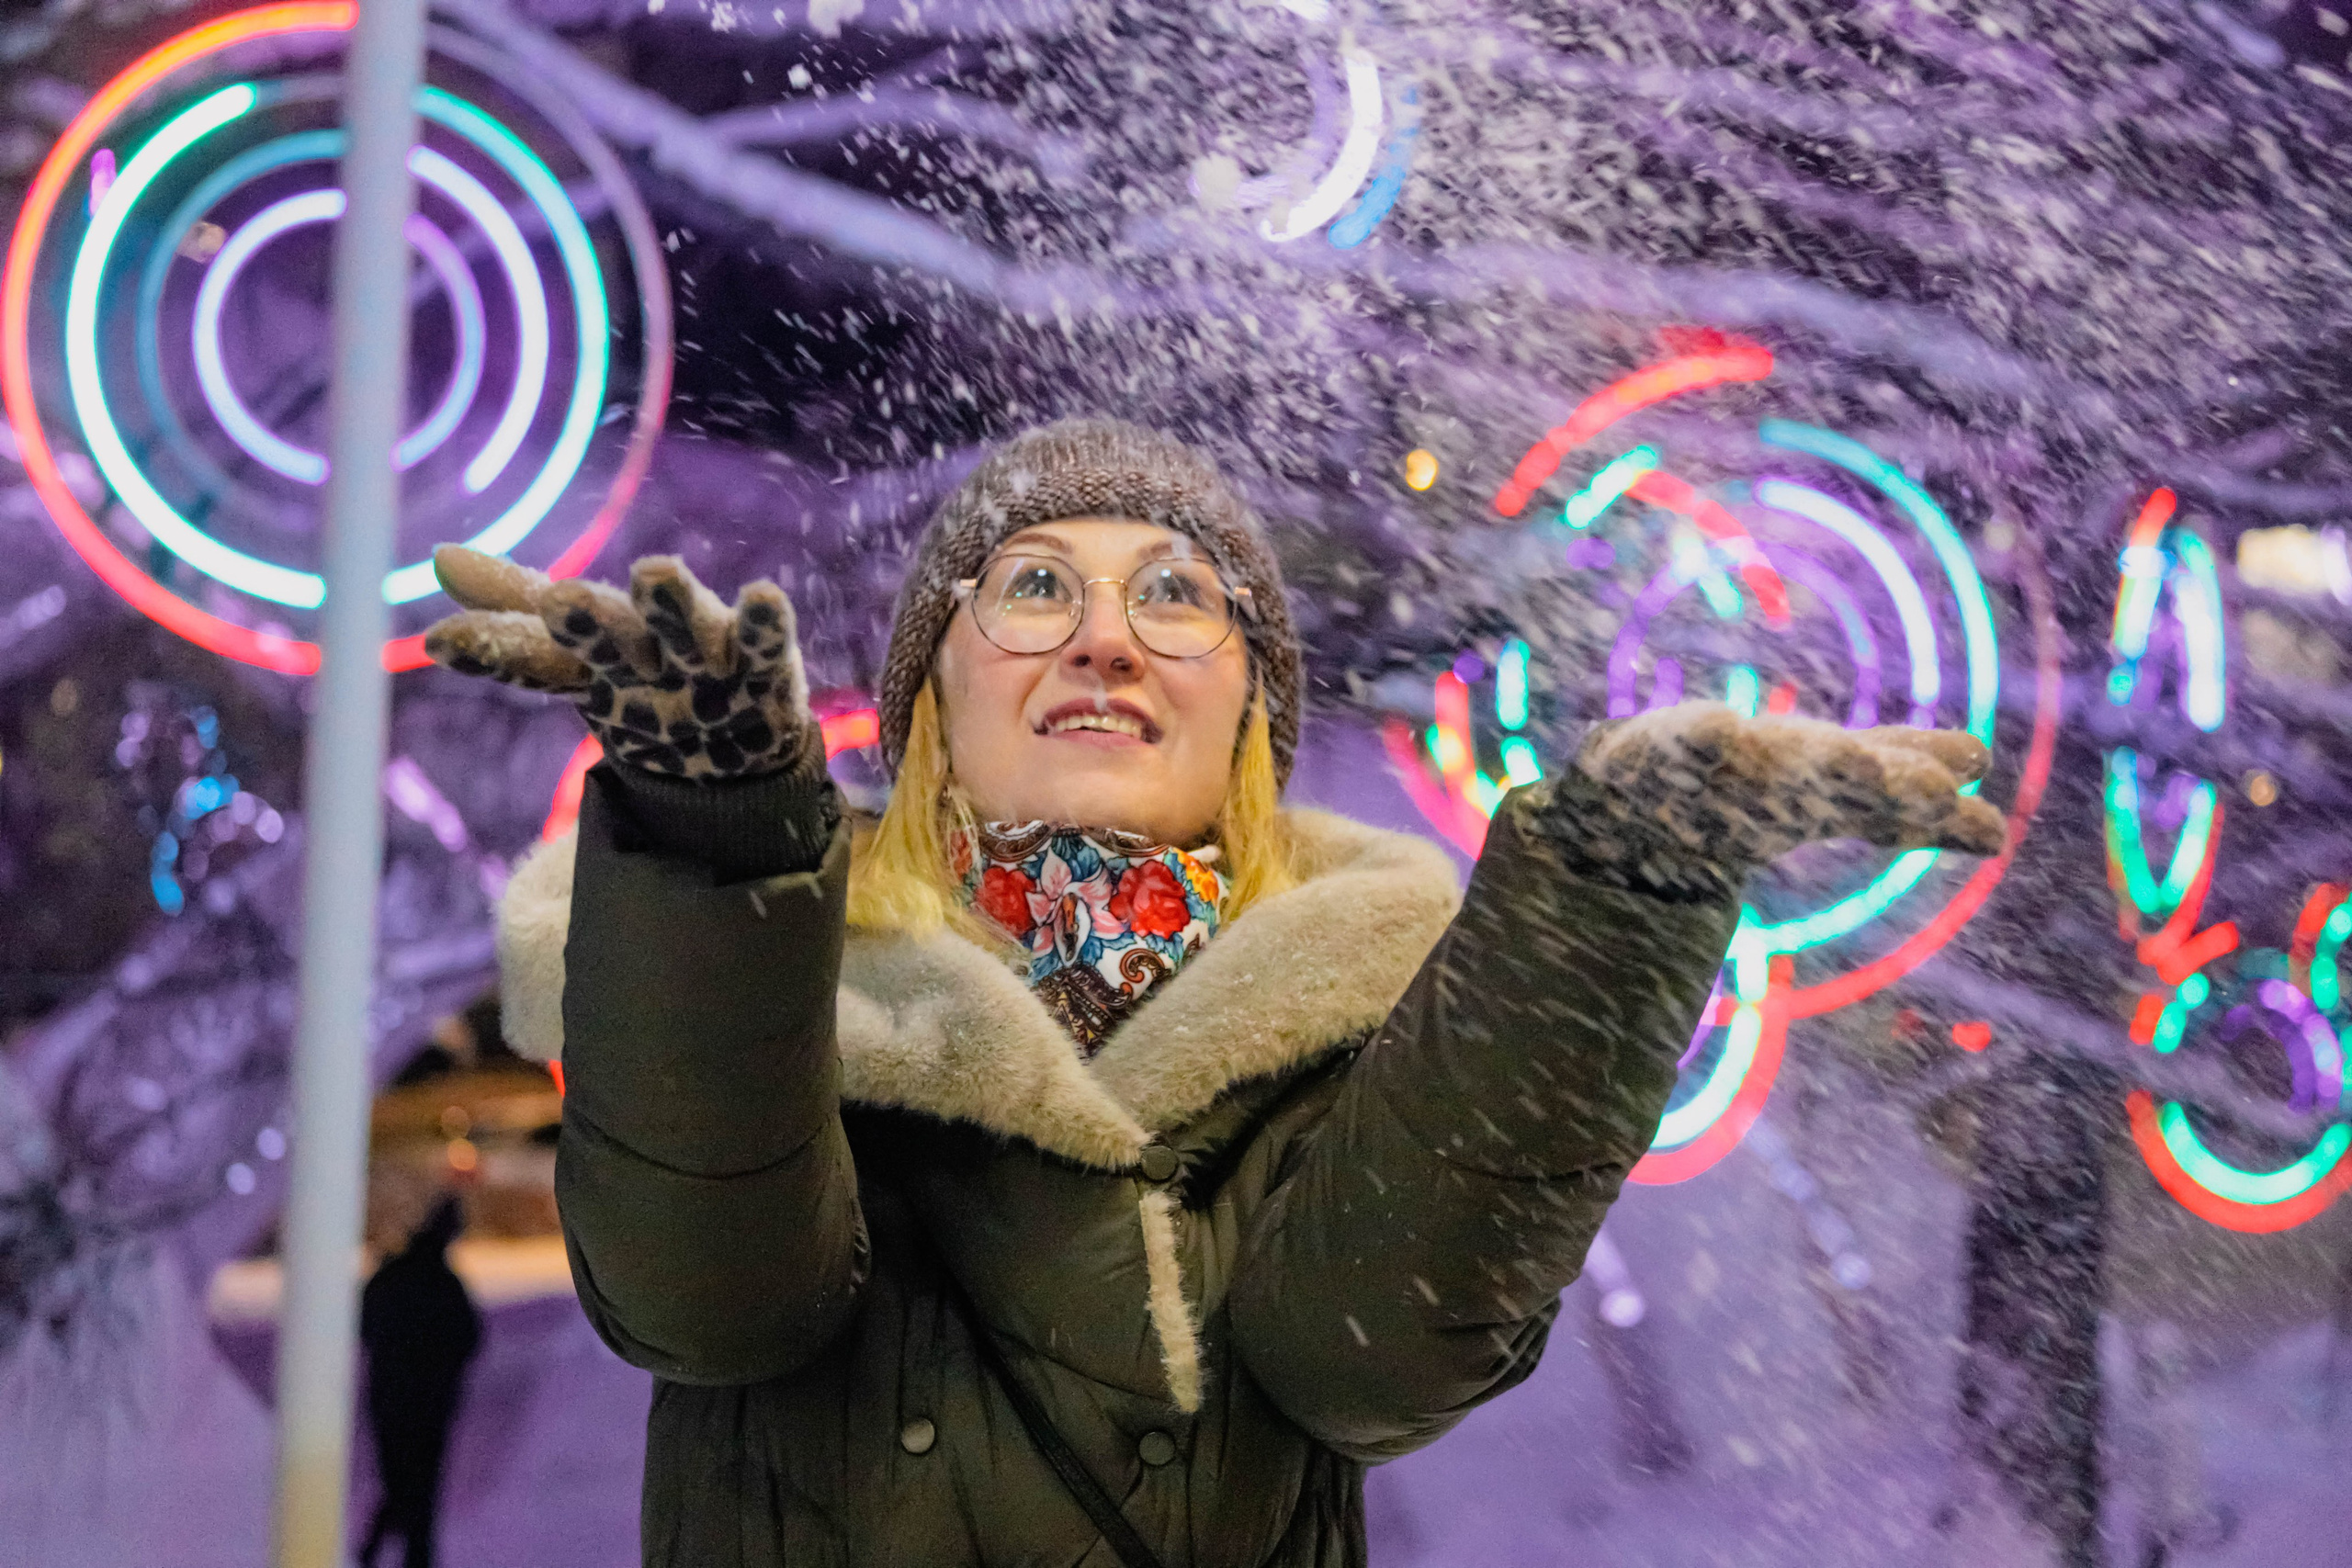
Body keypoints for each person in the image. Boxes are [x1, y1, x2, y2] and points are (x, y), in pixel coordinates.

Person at [427, 419, 2004, 1568]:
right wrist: (718, 842)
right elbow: (704, 1300)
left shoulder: (1368, 1020)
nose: (1107, 635)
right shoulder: (775, 981)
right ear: (931, 697)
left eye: (1178, 597)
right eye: (1033, 585)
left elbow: (1373, 1354)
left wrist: (1620, 889)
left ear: (1249, 703)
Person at [357, 1194, 481, 1568]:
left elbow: (365, 1324)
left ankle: (374, 1553)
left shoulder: (393, 1276)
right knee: (419, 1490)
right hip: (429, 1403)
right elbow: (468, 1339)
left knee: (399, 1482)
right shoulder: (445, 1285)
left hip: (391, 1398)